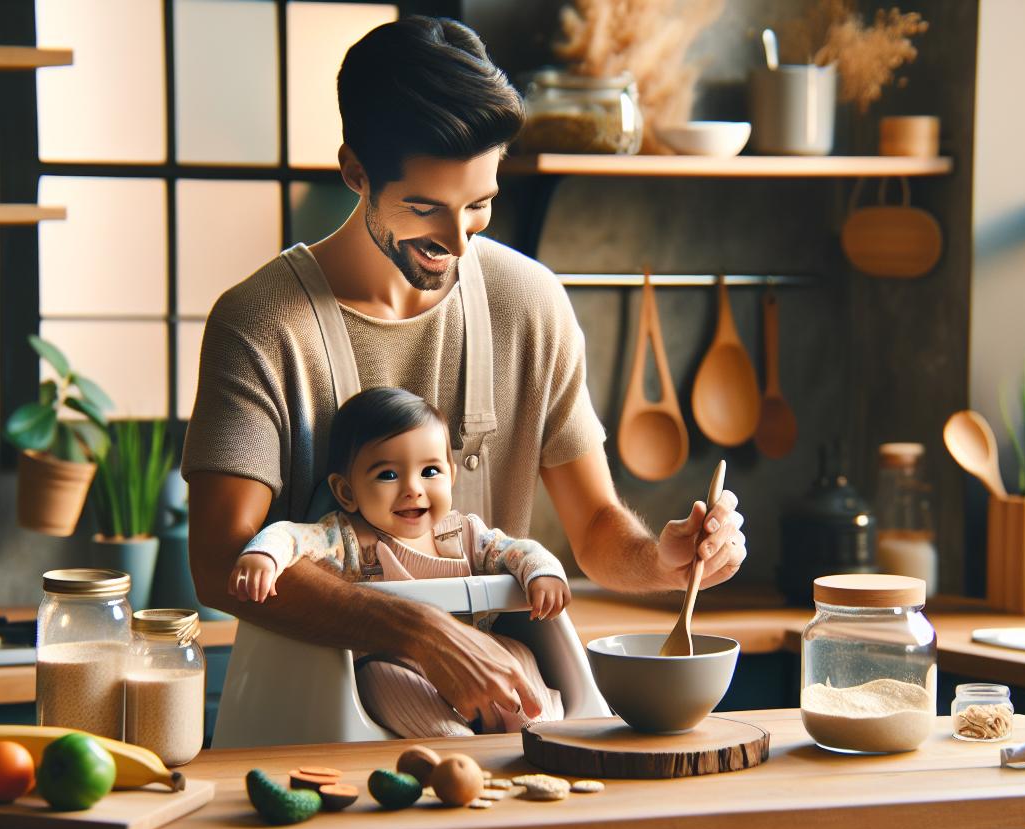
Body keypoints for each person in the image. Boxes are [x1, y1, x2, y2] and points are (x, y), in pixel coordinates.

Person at [184, 15, 746, 729]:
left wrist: (662, 561)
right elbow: (217, 564)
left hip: (496, 717)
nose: (457, 241)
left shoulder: (528, 302)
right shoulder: (261, 322)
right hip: (312, 728)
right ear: (356, 172)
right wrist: (416, 632)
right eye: (426, 208)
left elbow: (597, 530)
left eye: (479, 205)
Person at [229, 388, 569, 738]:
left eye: (430, 471)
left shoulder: (466, 533)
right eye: (388, 475)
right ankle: (451, 739)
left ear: (451, 475)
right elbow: (291, 536)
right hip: (395, 664)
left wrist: (542, 574)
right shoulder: (345, 538)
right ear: (346, 492)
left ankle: (540, 728)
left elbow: (518, 551)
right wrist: (264, 555)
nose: (413, 488)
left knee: (519, 653)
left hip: (478, 655)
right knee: (380, 678)